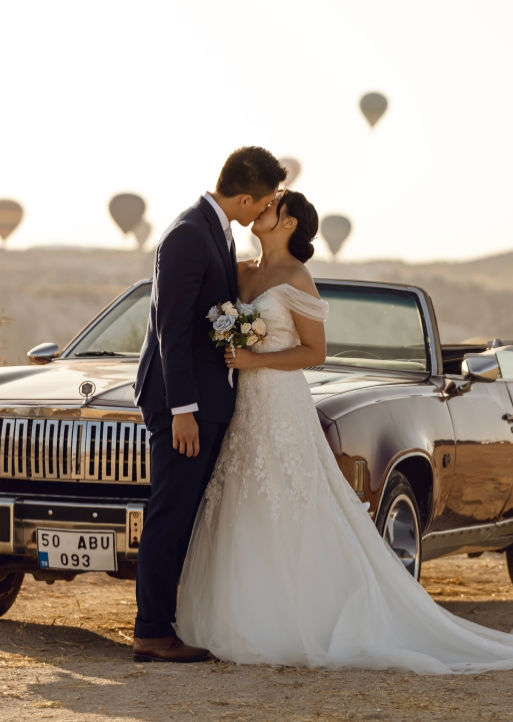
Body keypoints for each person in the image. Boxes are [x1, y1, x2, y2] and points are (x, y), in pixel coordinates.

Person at [175, 190, 513, 673]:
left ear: (288, 223)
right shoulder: (239, 271)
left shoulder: (298, 279)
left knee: (293, 504)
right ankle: (239, 614)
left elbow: (315, 352)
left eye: (270, 206)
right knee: (243, 502)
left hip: (282, 402)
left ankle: (292, 619)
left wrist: (256, 357)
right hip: (246, 406)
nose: (259, 209)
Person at [131, 146, 284, 663]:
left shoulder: (212, 230)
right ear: (245, 197)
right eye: (262, 204)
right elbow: (171, 331)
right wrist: (183, 411)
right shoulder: (188, 234)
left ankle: (163, 622)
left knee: (182, 512)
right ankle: (151, 631)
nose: (262, 213)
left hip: (204, 398)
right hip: (185, 403)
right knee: (170, 512)